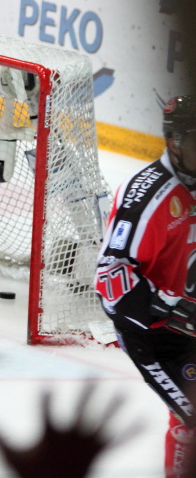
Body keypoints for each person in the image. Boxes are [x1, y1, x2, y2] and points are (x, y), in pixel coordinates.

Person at [95, 94, 196, 478]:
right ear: (175, 142)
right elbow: (111, 283)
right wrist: (171, 308)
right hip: (155, 335)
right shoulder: (146, 199)